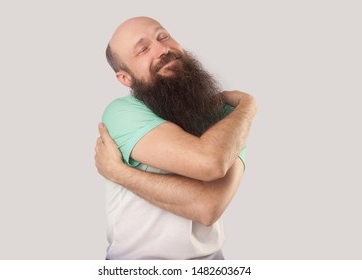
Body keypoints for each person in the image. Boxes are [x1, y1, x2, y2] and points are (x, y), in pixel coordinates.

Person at [94, 16, 257, 260]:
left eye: (163, 37)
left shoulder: (229, 118)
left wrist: (119, 173)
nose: (163, 49)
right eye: (143, 49)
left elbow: (208, 206)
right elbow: (209, 162)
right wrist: (246, 109)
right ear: (125, 78)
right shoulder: (121, 113)